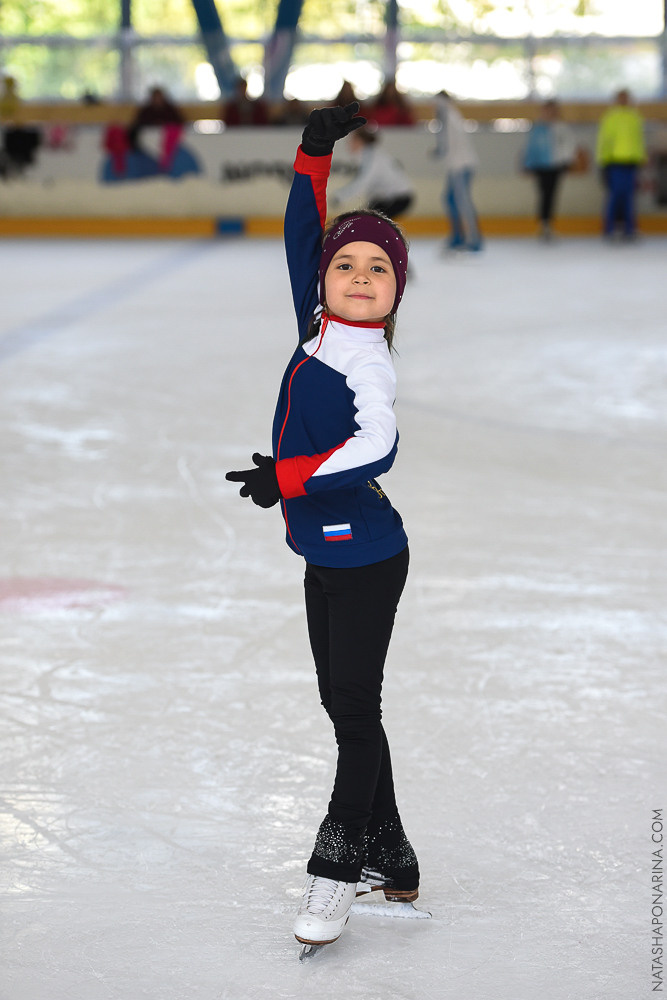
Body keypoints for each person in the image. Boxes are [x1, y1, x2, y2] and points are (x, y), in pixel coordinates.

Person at [226, 103, 419, 952]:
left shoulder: (366, 359)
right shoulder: (316, 321)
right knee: (343, 708)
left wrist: (290, 476)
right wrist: (312, 154)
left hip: (368, 557)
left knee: (353, 714)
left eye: (379, 267)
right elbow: (302, 235)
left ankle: (337, 867)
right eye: (347, 263)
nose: (359, 274)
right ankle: (394, 852)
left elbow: (378, 443)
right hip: (324, 552)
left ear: (394, 291)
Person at [331, 125, 414, 220]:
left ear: (360, 140)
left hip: (397, 198)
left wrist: (340, 196)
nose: (349, 144)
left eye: (352, 140)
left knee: (367, 221)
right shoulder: (369, 154)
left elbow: (363, 181)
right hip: (387, 198)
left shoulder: (371, 157)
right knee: (365, 220)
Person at [433, 90, 482, 253]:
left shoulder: (449, 116)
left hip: (461, 166)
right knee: (451, 199)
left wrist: (439, 150)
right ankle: (458, 236)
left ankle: (473, 239)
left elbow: (447, 143)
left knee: (462, 202)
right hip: (456, 166)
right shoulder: (450, 116)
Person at [596, 88, 646, 240]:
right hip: (614, 161)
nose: (623, 100)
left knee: (629, 197)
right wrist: (603, 160)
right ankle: (609, 229)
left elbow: (638, 140)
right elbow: (604, 140)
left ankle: (629, 229)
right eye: (621, 98)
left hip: (631, 161)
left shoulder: (635, 117)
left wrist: (641, 158)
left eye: (626, 98)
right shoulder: (610, 117)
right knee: (615, 196)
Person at [522, 99, 576, 240]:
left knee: (551, 194)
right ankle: (543, 224)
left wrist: (568, 162)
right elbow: (531, 147)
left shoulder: (560, 127)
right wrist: (528, 164)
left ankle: (548, 224)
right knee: (543, 194)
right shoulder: (538, 127)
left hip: (556, 165)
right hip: (540, 165)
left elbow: (568, 146)